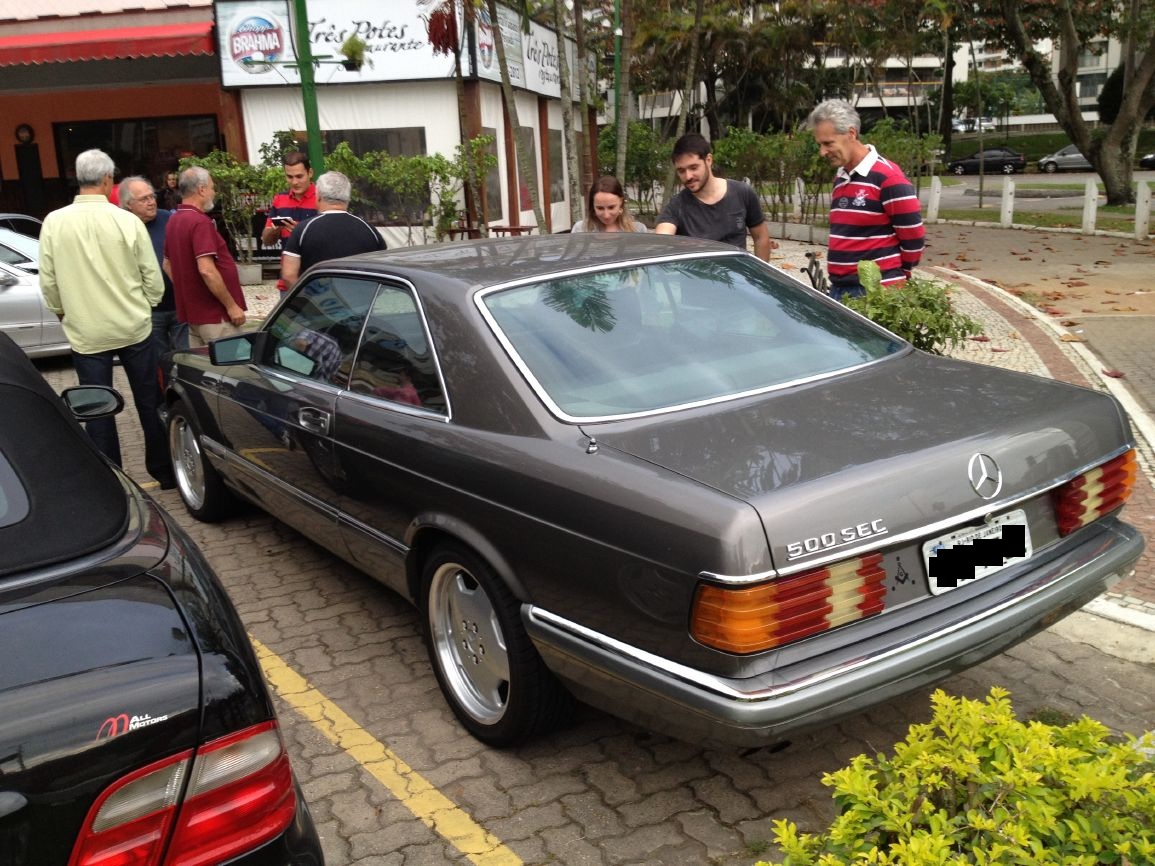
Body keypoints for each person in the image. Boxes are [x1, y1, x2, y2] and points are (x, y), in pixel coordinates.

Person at [39, 149, 172, 488]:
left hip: (87, 331)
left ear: (78, 178)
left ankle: (112, 481)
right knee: (149, 402)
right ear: (109, 180)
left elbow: (49, 281)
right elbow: (152, 278)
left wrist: (62, 312)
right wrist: (147, 305)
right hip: (134, 326)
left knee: (97, 408)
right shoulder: (126, 220)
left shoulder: (54, 222)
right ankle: (164, 471)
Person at [804, 99, 925, 300]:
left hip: (875, 292)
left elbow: (914, 238)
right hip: (841, 289)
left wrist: (894, 277)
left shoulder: (888, 178)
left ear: (851, 134)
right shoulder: (842, 177)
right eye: (820, 144)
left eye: (828, 143)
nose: (822, 152)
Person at [654, 132, 772, 261]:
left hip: (737, 278)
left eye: (693, 167)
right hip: (698, 279)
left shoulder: (742, 192)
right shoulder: (677, 205)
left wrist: (757, 278)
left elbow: (761, 237)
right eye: (681, 171)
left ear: (708, 160)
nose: (688, 176)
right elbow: (662, 241)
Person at [164, 166, 247, 347]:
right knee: (229, 369)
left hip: (195, 316)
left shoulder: (174, 219)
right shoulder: (199, 221)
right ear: (201, 189)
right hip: (216, 317)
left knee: (204, 369)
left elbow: (167, 264)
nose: (213, 192)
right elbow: (207, 270)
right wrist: (231, 306)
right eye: (212, 187)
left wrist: (190, 290)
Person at [120, 176, 188, 363]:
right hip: (148, 312)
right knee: (159, 363)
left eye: (152, 197)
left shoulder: (169, 219)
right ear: (128, 204)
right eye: (144, 199)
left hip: (178, 305)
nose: (151, 202)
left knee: (187, 359)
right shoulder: (121, 227)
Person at [280, 170, 386, 290]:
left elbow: (289, 275)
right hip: (361, 303)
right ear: (348, 197)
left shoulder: (303, 230)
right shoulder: (370, 231)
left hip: (318, 303)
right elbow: (383, 273)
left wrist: (310, 300)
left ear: (318, 196)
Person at [260, 151, 318, 291]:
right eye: (289, 177)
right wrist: (275, 230)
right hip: (288, 281)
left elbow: (330, 239)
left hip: (317, 278)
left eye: (299, 176)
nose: (294, 182)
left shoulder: (321, 198)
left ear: (310, 173)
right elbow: (267, 241)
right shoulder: (280, 199)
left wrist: (300, 232)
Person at [571, 176, 649, 233]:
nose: (606, 215)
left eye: (611, 207)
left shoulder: (638, 230)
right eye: (600, 208)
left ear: (621, 202)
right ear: (593, 206)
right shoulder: (580, 229)